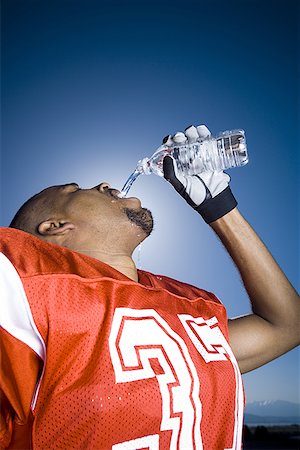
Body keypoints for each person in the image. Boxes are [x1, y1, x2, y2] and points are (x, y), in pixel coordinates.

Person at [0, 124, 299, 450]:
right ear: (55, 227)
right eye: (75, 189)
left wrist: (220, 209)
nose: (102, 183)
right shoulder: (26, 292)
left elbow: (287, 325)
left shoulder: (185, 307)